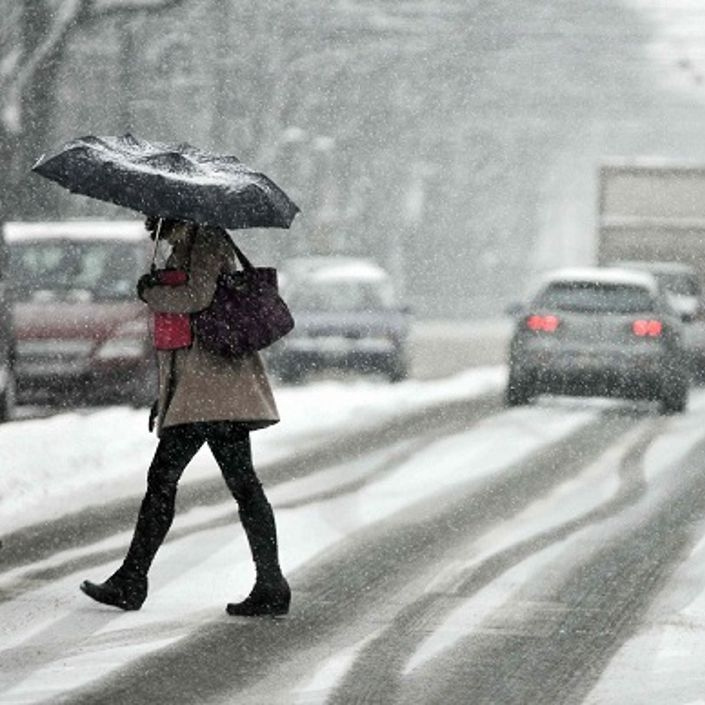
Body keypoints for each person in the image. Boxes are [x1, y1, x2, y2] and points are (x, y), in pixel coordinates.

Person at [80, 217, 290, 617]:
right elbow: (179, 335)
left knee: (166, 480)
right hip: (203, 391)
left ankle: (132, 579)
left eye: (151, 209)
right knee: (240, 484)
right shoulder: (181, 242)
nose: (145, 217)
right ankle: (270, 583)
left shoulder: (206, 237)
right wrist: (168, 394)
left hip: (214, 387)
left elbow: (197, 297)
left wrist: (152, 291)